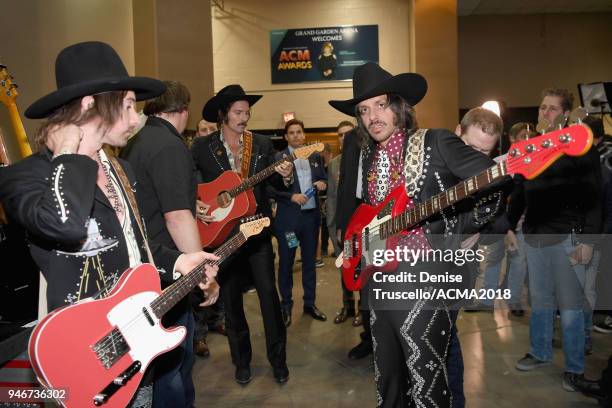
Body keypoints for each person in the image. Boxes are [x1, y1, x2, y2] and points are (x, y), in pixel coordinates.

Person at [0, 41, 218, 408]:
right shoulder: (26, 176)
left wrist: (182, 262)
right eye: (128, 105)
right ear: (90, 104)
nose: (136, 119)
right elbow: (64, 226)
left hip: (136, 346)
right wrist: (70, 152)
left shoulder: (122, 169)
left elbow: (137, 247)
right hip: (82, 361)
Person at [329, 62, 502, 407]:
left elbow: (493, 181)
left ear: (398, 106)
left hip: (423, 278)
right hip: (378, 278)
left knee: (427, 381)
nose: (371, 116)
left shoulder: (434, 142)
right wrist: (356, 245)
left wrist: (468, 228)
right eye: (364, 110)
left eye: (379, 105)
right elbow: (367, 214)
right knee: (388, 381)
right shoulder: (368, 154)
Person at [120, 80, 218, 407]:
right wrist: (201, 272)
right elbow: (177, 217)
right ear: (185, 110)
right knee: (173, 369)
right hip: (167, 277)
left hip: (143, 270)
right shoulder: (170, 145)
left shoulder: (136, 143)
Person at [191, 84, 291, 385]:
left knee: (269, 300)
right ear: (224, 114)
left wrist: (285, 177)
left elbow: (273, 185)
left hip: (257, 232)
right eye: (238, 112)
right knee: (231, 303)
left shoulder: (260, 144)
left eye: (247, 112)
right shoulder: (202, 147)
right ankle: (242, 362)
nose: (244, 117)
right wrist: (194, 203)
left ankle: (278, 361)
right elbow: (191, 184)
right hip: (223, 238)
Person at [512, 88, 602, 393]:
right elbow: (520, 190)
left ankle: (574, 368)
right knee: (540, 301)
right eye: (541, 107)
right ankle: (540, 353)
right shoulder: (532, 146)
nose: (544, 113)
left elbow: (594, 195)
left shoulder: (577, 145)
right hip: (535, 237)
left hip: (568, 238)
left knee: (572, 308)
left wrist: (588, 240)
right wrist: (509, 226)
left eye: (552, 109)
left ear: (565, 114)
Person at [271, 118, 328, 327]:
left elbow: (324, 179)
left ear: (304, 135)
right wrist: (290, 197)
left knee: (309, 263)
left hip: (310, 219)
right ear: (286, 137)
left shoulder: (315, 155)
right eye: (291, 132)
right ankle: (286, 306)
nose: (296, 135)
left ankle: (310, 304)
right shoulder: (279, 158)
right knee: (286, 262)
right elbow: (272, 188)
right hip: (289, 221)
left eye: (299, 132)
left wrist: (322, 183)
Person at [327, 120, 363, 326]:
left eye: (347, 134)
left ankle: (361, 309)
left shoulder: (363, 160)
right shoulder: (333, 163)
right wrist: (333, 228)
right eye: (340, 135)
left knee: (360, 268)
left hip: (358, 227)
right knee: (344, 269)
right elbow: (332, 197)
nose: (343, 138)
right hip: (340, 226)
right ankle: (347, 306)